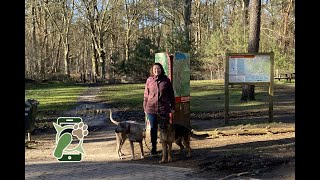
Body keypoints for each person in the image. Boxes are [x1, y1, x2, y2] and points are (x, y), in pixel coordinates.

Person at [143, 62, 175, 155]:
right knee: (153, 128)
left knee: (165, 128)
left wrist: (173, 107)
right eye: (155, 69)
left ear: (161, 69)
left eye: (158, 69)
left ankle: (167, 149)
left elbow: (171, 95)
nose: (157, 70)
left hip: (163, 108)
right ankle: (154, 148)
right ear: (152, 70)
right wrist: (145, 107)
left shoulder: (166, 80)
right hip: (151, 108)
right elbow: (146, 95)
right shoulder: (149, 80)